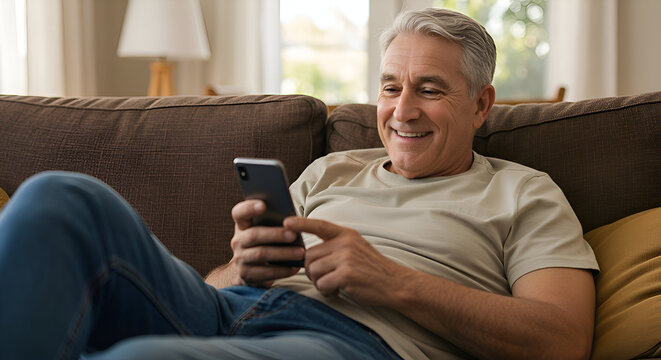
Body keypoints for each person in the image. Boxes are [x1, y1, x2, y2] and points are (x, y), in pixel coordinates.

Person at [0, 8, 598, 360]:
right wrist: (242, 268)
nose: (403, 110)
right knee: (61, 196)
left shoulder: (525, 192)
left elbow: (564, 338)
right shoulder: (333, 170)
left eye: (431, 89)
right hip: (225, 309)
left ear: (481, 104)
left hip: (348, 344)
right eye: (391, 87)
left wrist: (391, 281)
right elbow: (220, 285)